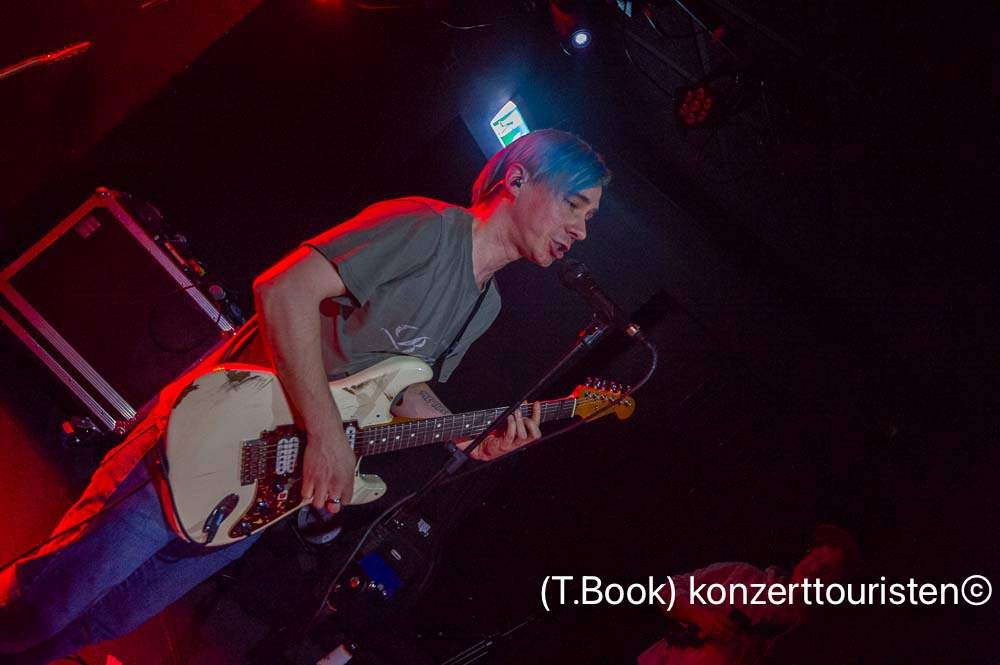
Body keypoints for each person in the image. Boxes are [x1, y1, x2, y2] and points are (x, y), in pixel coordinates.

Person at [0, 129, 611, 663]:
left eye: (588, 217)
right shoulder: (425, 228)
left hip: (266, 483)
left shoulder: (485, 305)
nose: (580, 231)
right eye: (574, 204)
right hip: (215, 431)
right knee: (48, 601)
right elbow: (283, 289)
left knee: (106, 620)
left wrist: (468, 438)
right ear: (517, 179)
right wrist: (324, 435)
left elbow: (401, 385)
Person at [638, 524, 861, 665]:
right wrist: (701, 616)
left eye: (826, 569)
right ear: (805, 556)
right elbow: (666, 591)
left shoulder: (805, 640)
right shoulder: (742, 575)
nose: (814, 569)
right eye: (816, 558)